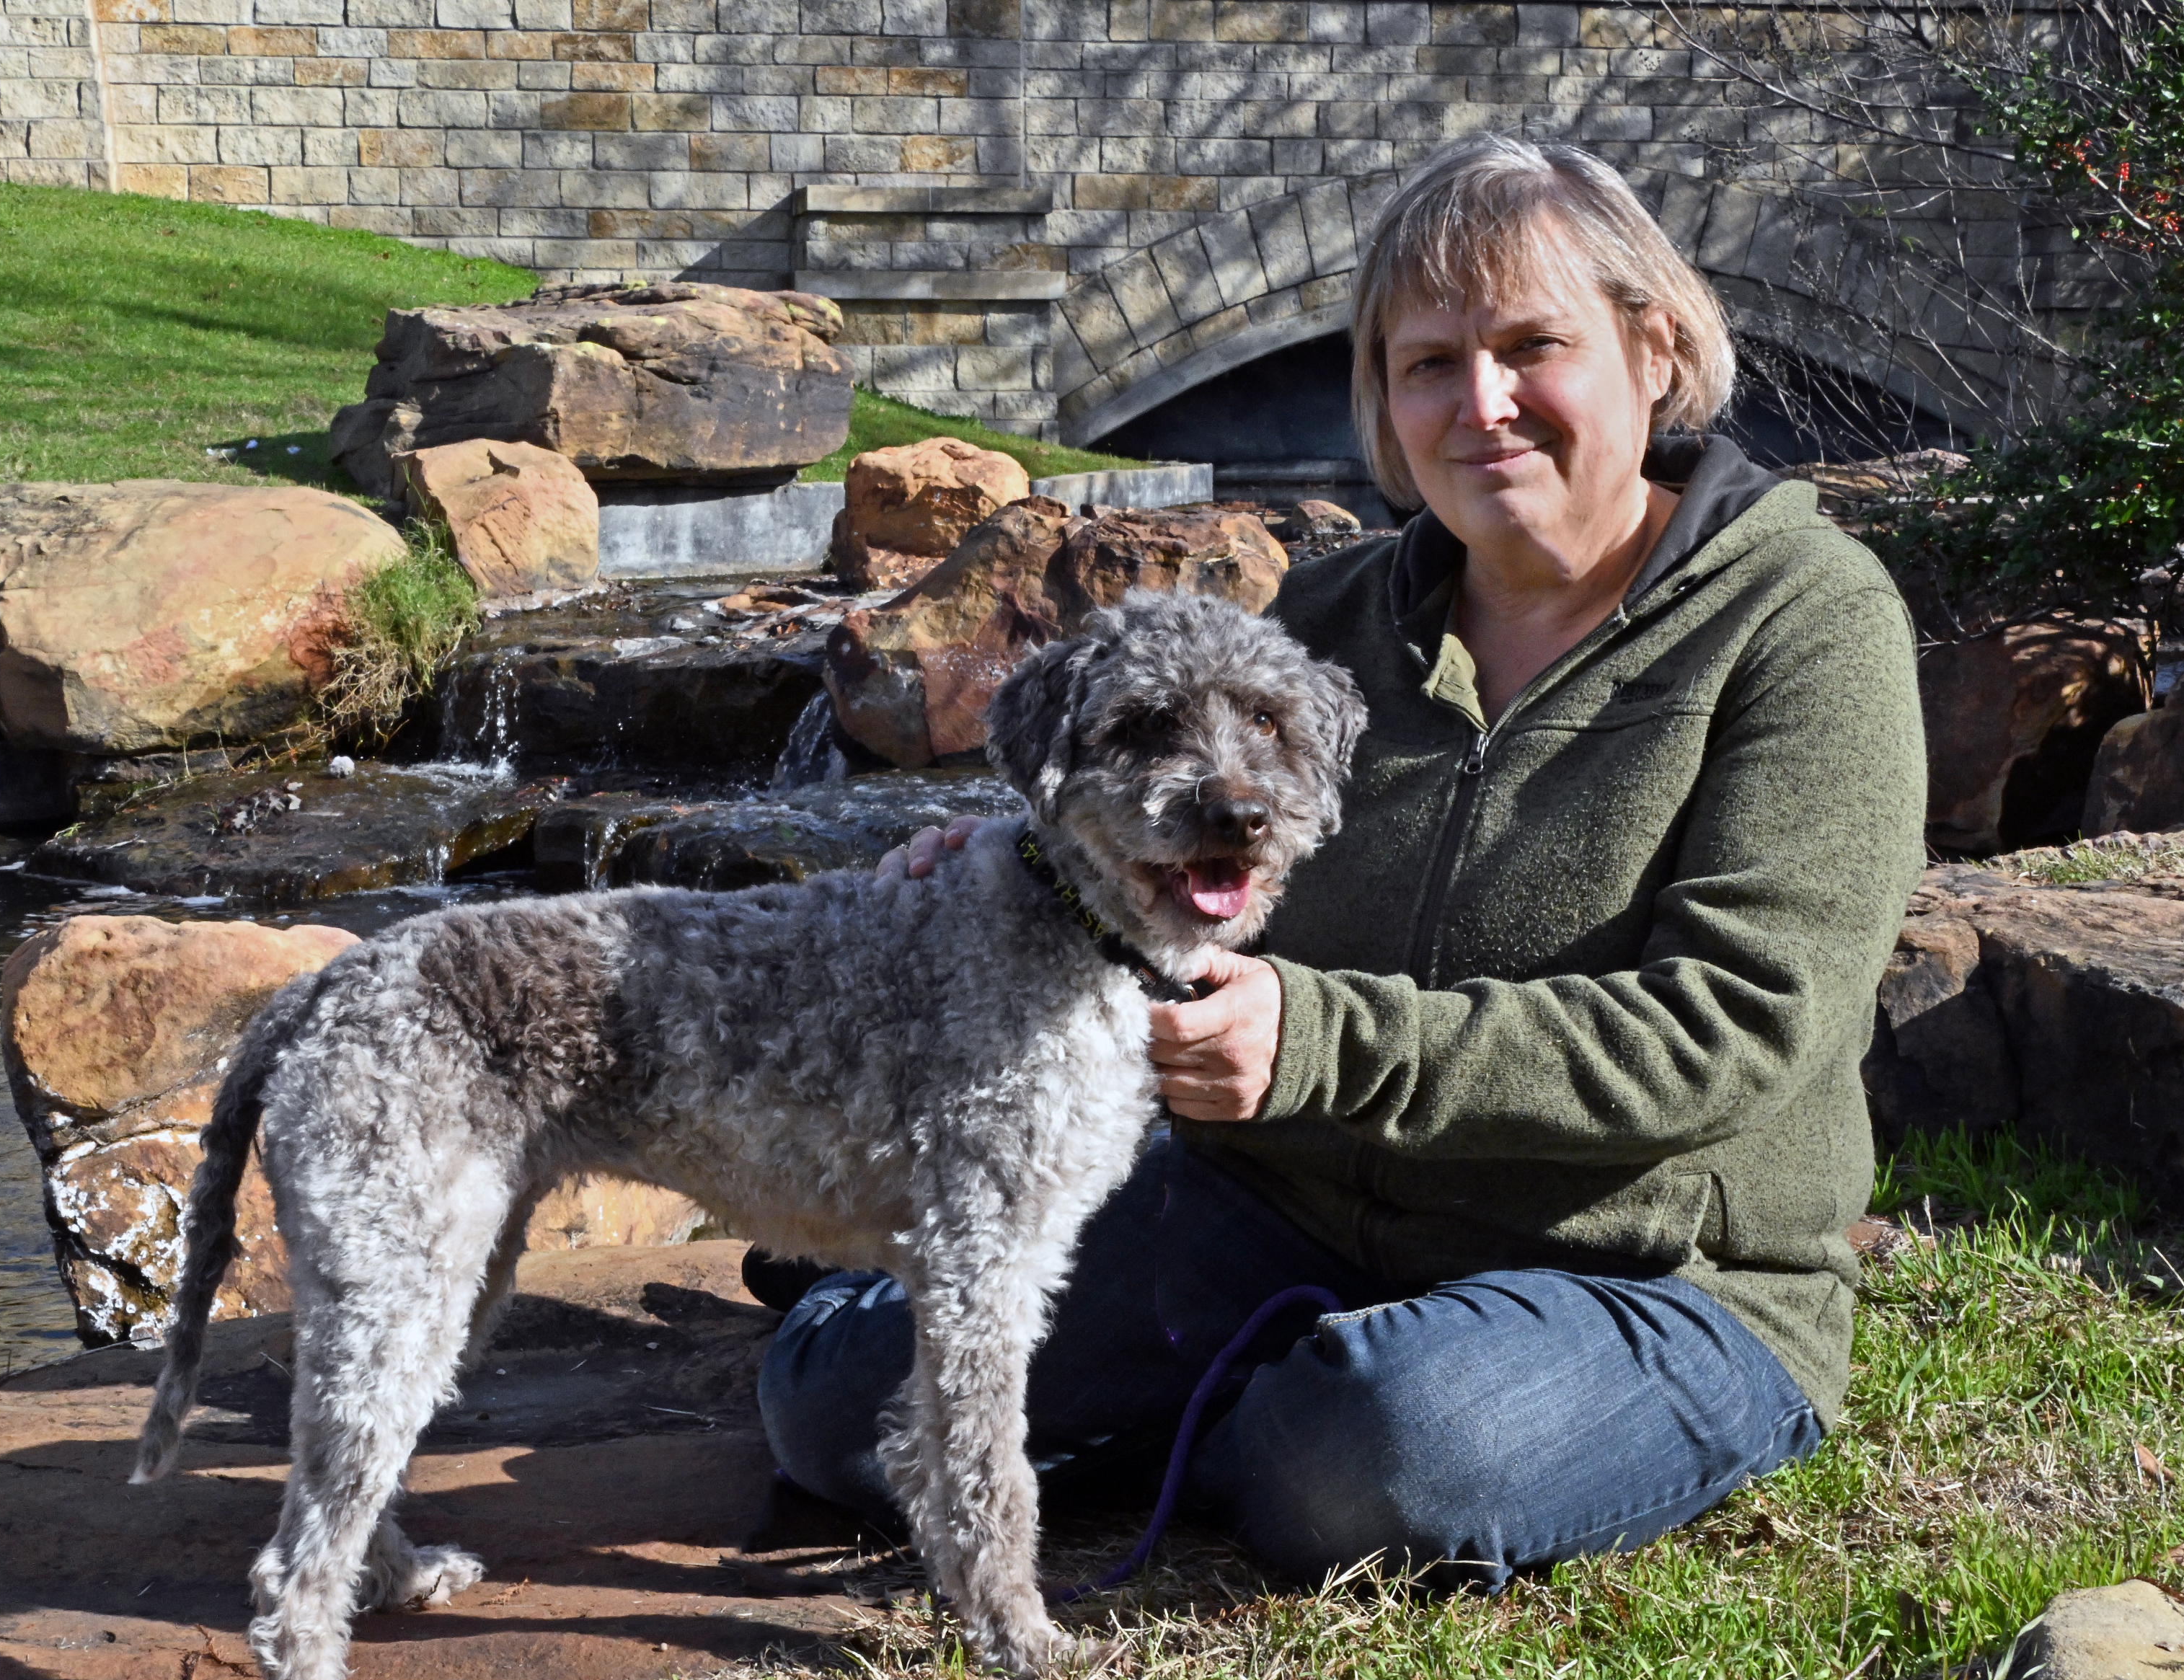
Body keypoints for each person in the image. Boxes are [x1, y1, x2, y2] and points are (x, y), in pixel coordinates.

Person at [749, 135, 1927, 1588]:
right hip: (1284, 1206)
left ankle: (1248, 1400)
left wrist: (1312, 1042)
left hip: (1645, 1270)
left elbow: (1733, 1027)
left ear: (1653, 346)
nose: (1480, 403)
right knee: (830, 1407)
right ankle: (944, 1305)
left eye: (1530, 347)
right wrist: (1020, 863)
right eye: (1428, 362)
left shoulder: (1806, 618)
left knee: (1360, 1451)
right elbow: (1188, 843)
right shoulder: (1331, 612)